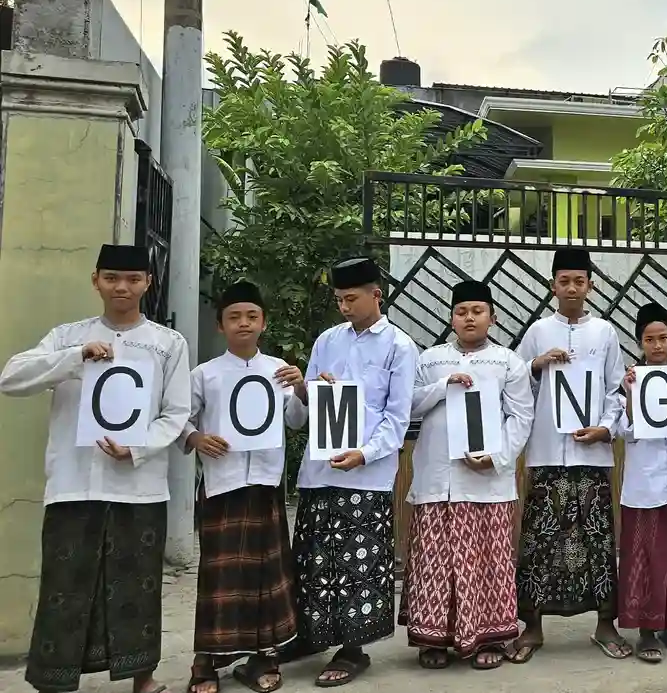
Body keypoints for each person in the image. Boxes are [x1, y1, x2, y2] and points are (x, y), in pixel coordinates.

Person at [0, 244, 190, 693]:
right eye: (110, 278)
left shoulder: (168, 343)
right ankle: (54, 678)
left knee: (137, 586)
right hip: (73, 483)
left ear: (147, 283)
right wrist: (74, 357)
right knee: (65, 585)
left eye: (131, 279)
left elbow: (176, 412)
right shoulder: (68, 336)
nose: (121, 287)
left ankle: (141, 676)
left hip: (138, 486)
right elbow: (10, 378)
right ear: (96, 280)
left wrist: (137, 448)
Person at [284, 256, 418, 686]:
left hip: (366, 474)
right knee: (313, 560)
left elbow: (396, 420)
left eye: (351, 298)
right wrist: (304, 390)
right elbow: (299, 415)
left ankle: (353, 647)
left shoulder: (399, 345)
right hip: (321, 471)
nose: (344, 306)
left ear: (376, 295)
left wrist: (364, 454)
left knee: (357, 563)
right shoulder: (327, 340)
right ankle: (309, 635)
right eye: (339, 299)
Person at [401, 279, 533, 670]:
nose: (469, 317)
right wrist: (444, 385)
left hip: (487, 483)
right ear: (452, 317)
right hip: (437, 480)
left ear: (492, 317)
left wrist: (496, 456)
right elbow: (408, 404)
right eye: (462, 311)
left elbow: (521, 416)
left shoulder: (508, 362)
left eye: (477, 311)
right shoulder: (430, 359)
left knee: (488, 560)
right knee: (433, 559)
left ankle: (489, 636)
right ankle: (434, 639)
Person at [511, 247, 629, 662]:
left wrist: (607, 429)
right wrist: (536, 365)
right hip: (546, 453)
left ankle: (605, 624)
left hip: (592, 455)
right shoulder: (538, 332)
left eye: (580, 281)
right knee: (539, 540)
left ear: (591, 286)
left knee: (598, 539)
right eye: (565, 281)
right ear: (552, 286)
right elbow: (514, 385)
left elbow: (617, 391)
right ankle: (532, 627)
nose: (572, 288)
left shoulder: (606, 332)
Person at [183, 281, 302, 693]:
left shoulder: (278, 370)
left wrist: (301, 387)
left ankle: (263, 655)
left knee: (266, 573)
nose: (244, 323)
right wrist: (195, 438)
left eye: (252, 316)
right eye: (234, 317)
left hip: (265, 484)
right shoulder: (205, 374)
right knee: (220, 575)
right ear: (221, 325)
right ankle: (207, 661)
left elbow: (296, 421)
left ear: (263, 322)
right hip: (222, 484)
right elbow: (180, 418)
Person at [616, 303, 667, 663]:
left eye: (663, 337)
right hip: (644, 485)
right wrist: (633, 399)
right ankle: (646, 628)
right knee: (643, 556)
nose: (657, 345)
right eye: (649, 339)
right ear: (640, 342)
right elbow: (626, 432)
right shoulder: (630, 381)